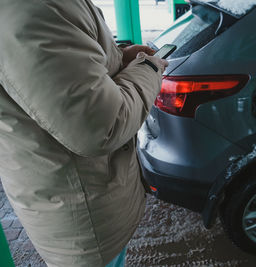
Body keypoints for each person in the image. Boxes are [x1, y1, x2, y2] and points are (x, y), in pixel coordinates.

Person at [0, 0, 168, 266]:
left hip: (88, 206)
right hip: (85, 218)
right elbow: (103, 126)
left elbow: (70, 66)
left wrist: (119, 57)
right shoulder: (29, 10)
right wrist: (148, 68)